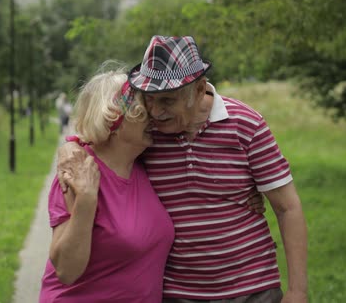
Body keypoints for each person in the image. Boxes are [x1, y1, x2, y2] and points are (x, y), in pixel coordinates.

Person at [57, 36, 308, 303]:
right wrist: (70, 148)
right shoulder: (146, 136)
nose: (154, 111)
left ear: (199, 90)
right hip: (178, 294)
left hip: (253, 289)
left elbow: (287, 207)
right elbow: (100, 138)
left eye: (166, 101)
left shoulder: (246, 124)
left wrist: (297, 291)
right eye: (149, 99)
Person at [39, 69, 175, 302]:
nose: (153, 118)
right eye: (143, 112)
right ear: (114, 118)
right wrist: (86, 200)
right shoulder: (78, 171)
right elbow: (66, 271)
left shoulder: (145, 164)